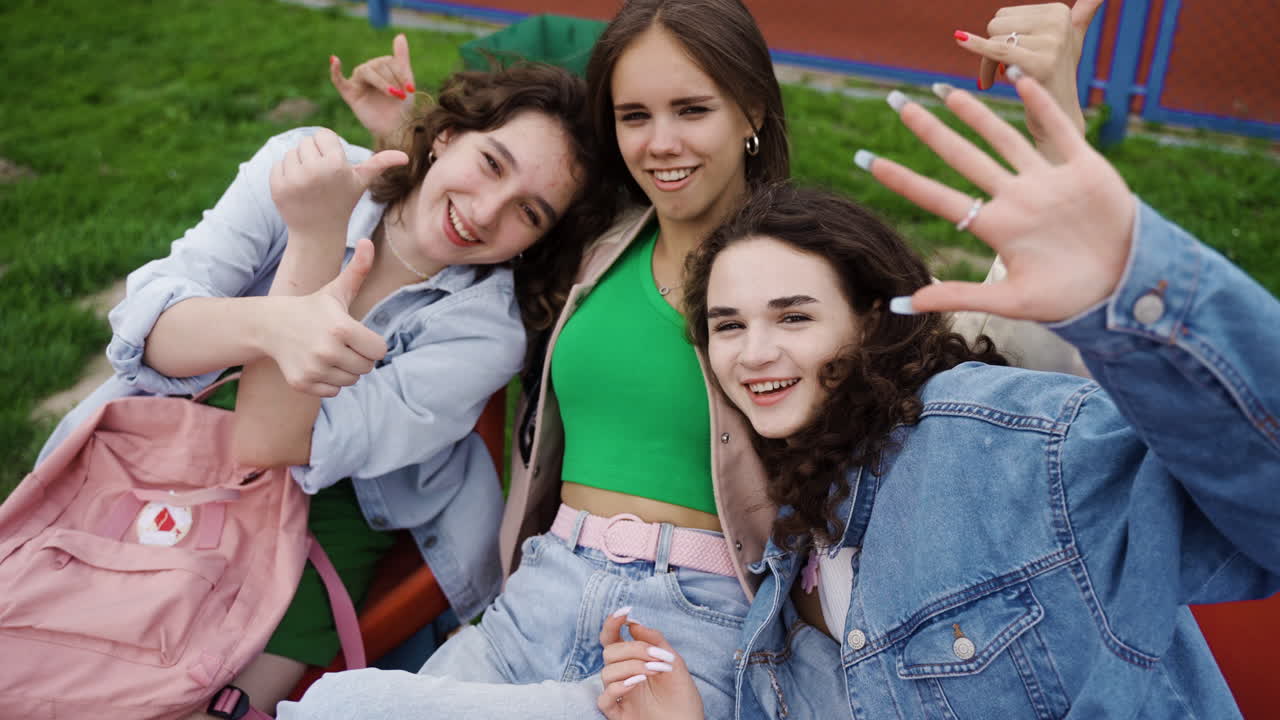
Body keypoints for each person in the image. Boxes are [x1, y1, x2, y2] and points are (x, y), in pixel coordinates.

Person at [279, 2, 1105, 718]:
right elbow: (474, 219)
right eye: (634, 116)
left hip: (697, 626)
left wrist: (1057, 117)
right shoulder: (589, 250)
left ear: (750, 109)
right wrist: (407, 137)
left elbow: (1010, 348)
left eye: (691, 109)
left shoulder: (811, 266)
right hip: (533, 598)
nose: (661, 143)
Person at [594, 70, 1280, 719]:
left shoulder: (999, 444)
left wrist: (1135, 280)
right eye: (727, 326)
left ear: (870, 320)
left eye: (794, 317)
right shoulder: (794, 543)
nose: (753, 353)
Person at [33, 59, 596, 717]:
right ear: (447, 135)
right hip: (170, 436)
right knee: (63, 630)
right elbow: (145, 329)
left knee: (205, 692)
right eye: (492, 163)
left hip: (336, 498)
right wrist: (282, 307)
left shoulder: (486, 329)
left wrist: (314, 242)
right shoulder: (306, 170)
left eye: (529, 212)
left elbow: (268, 439)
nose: (485, 211)